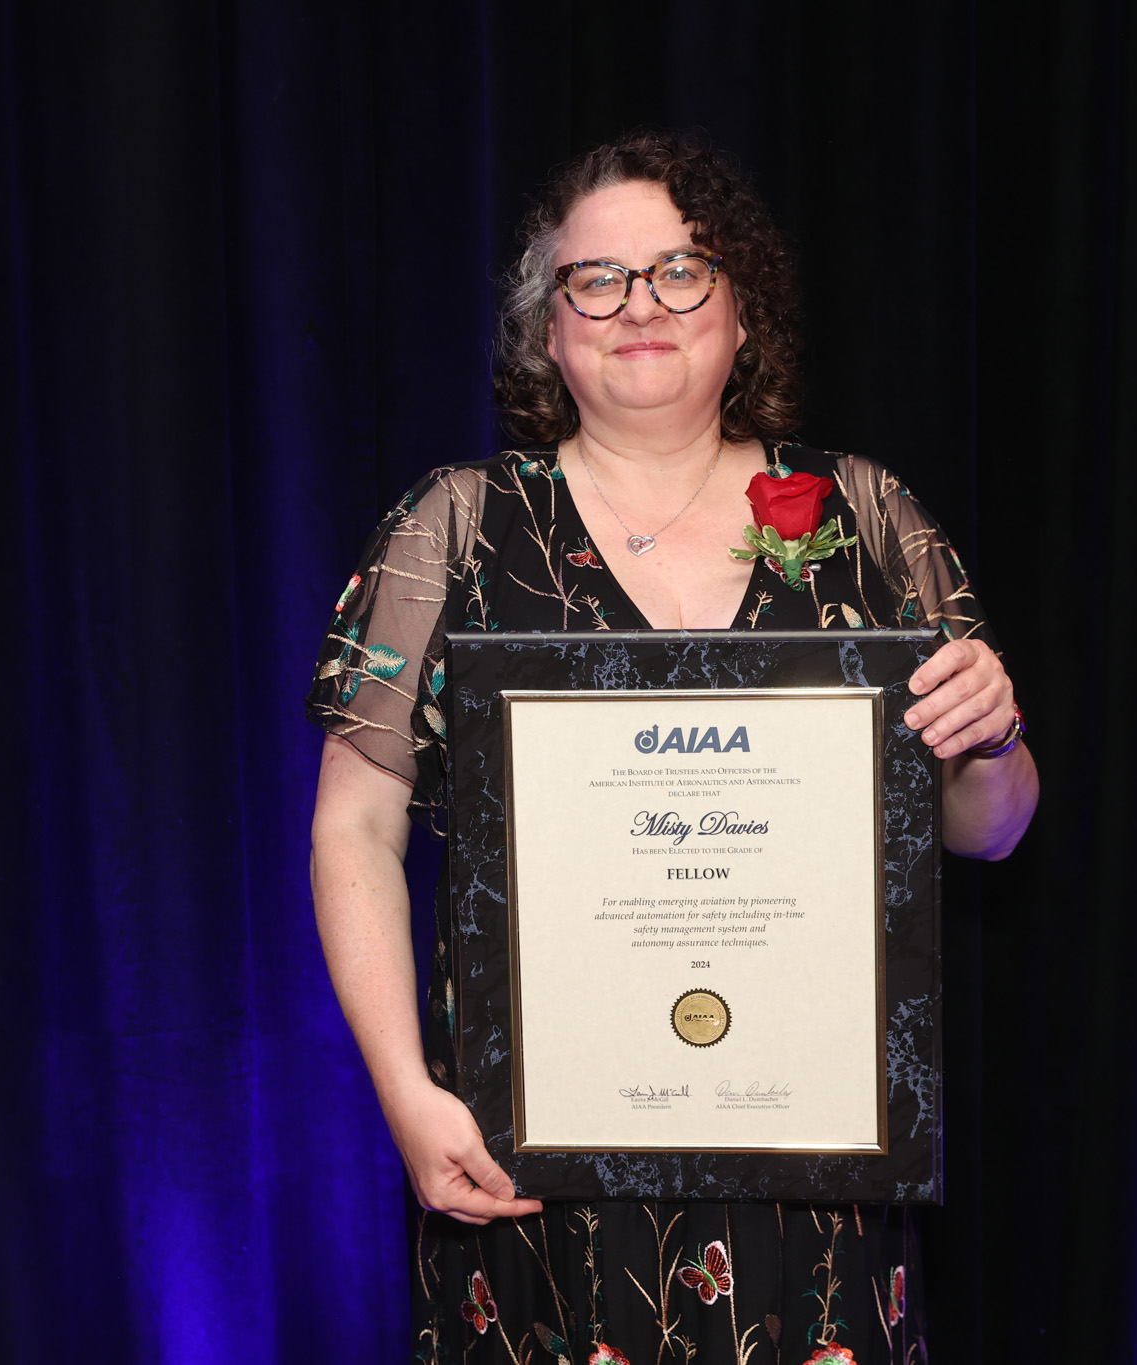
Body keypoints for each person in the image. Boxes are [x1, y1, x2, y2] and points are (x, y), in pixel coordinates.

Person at [308, 131, 1037, 1364]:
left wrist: (990, 738)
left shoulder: (868, 517)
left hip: (811, 1171)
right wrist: (403, 1095)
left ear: (741, 313)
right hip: (535, 1168)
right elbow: (353, 828)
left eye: (681, 270)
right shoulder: (455, 529)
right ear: (548, 331)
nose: (637, 304)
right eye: (595, 280)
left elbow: (990, 825)